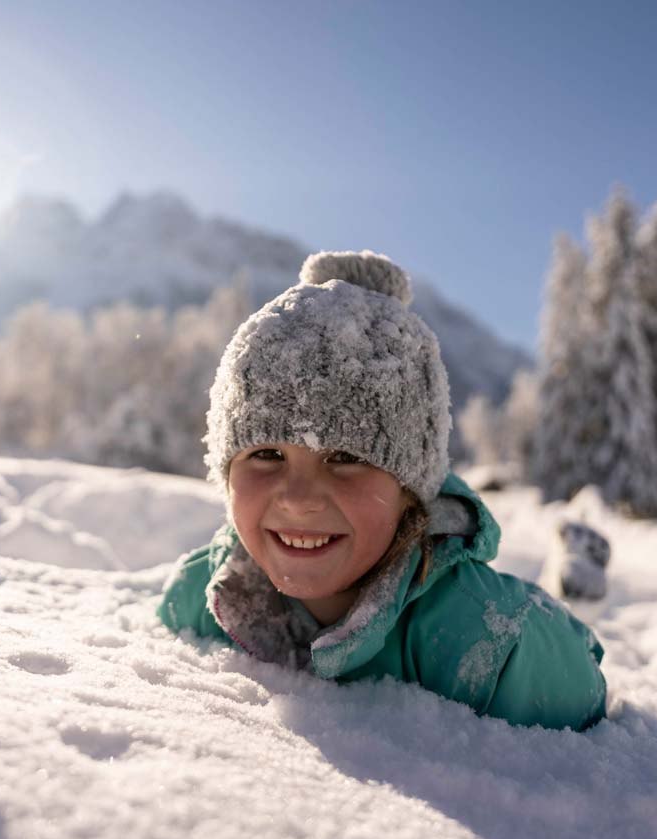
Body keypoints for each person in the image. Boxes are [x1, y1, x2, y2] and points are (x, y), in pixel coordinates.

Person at [158, 250, 606, 731]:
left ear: (412, 490)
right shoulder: (199, 597)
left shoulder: (488, 640)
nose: (298, 498)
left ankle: (576, 571)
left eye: (346, 459)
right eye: (266, 454)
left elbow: (578, 688)